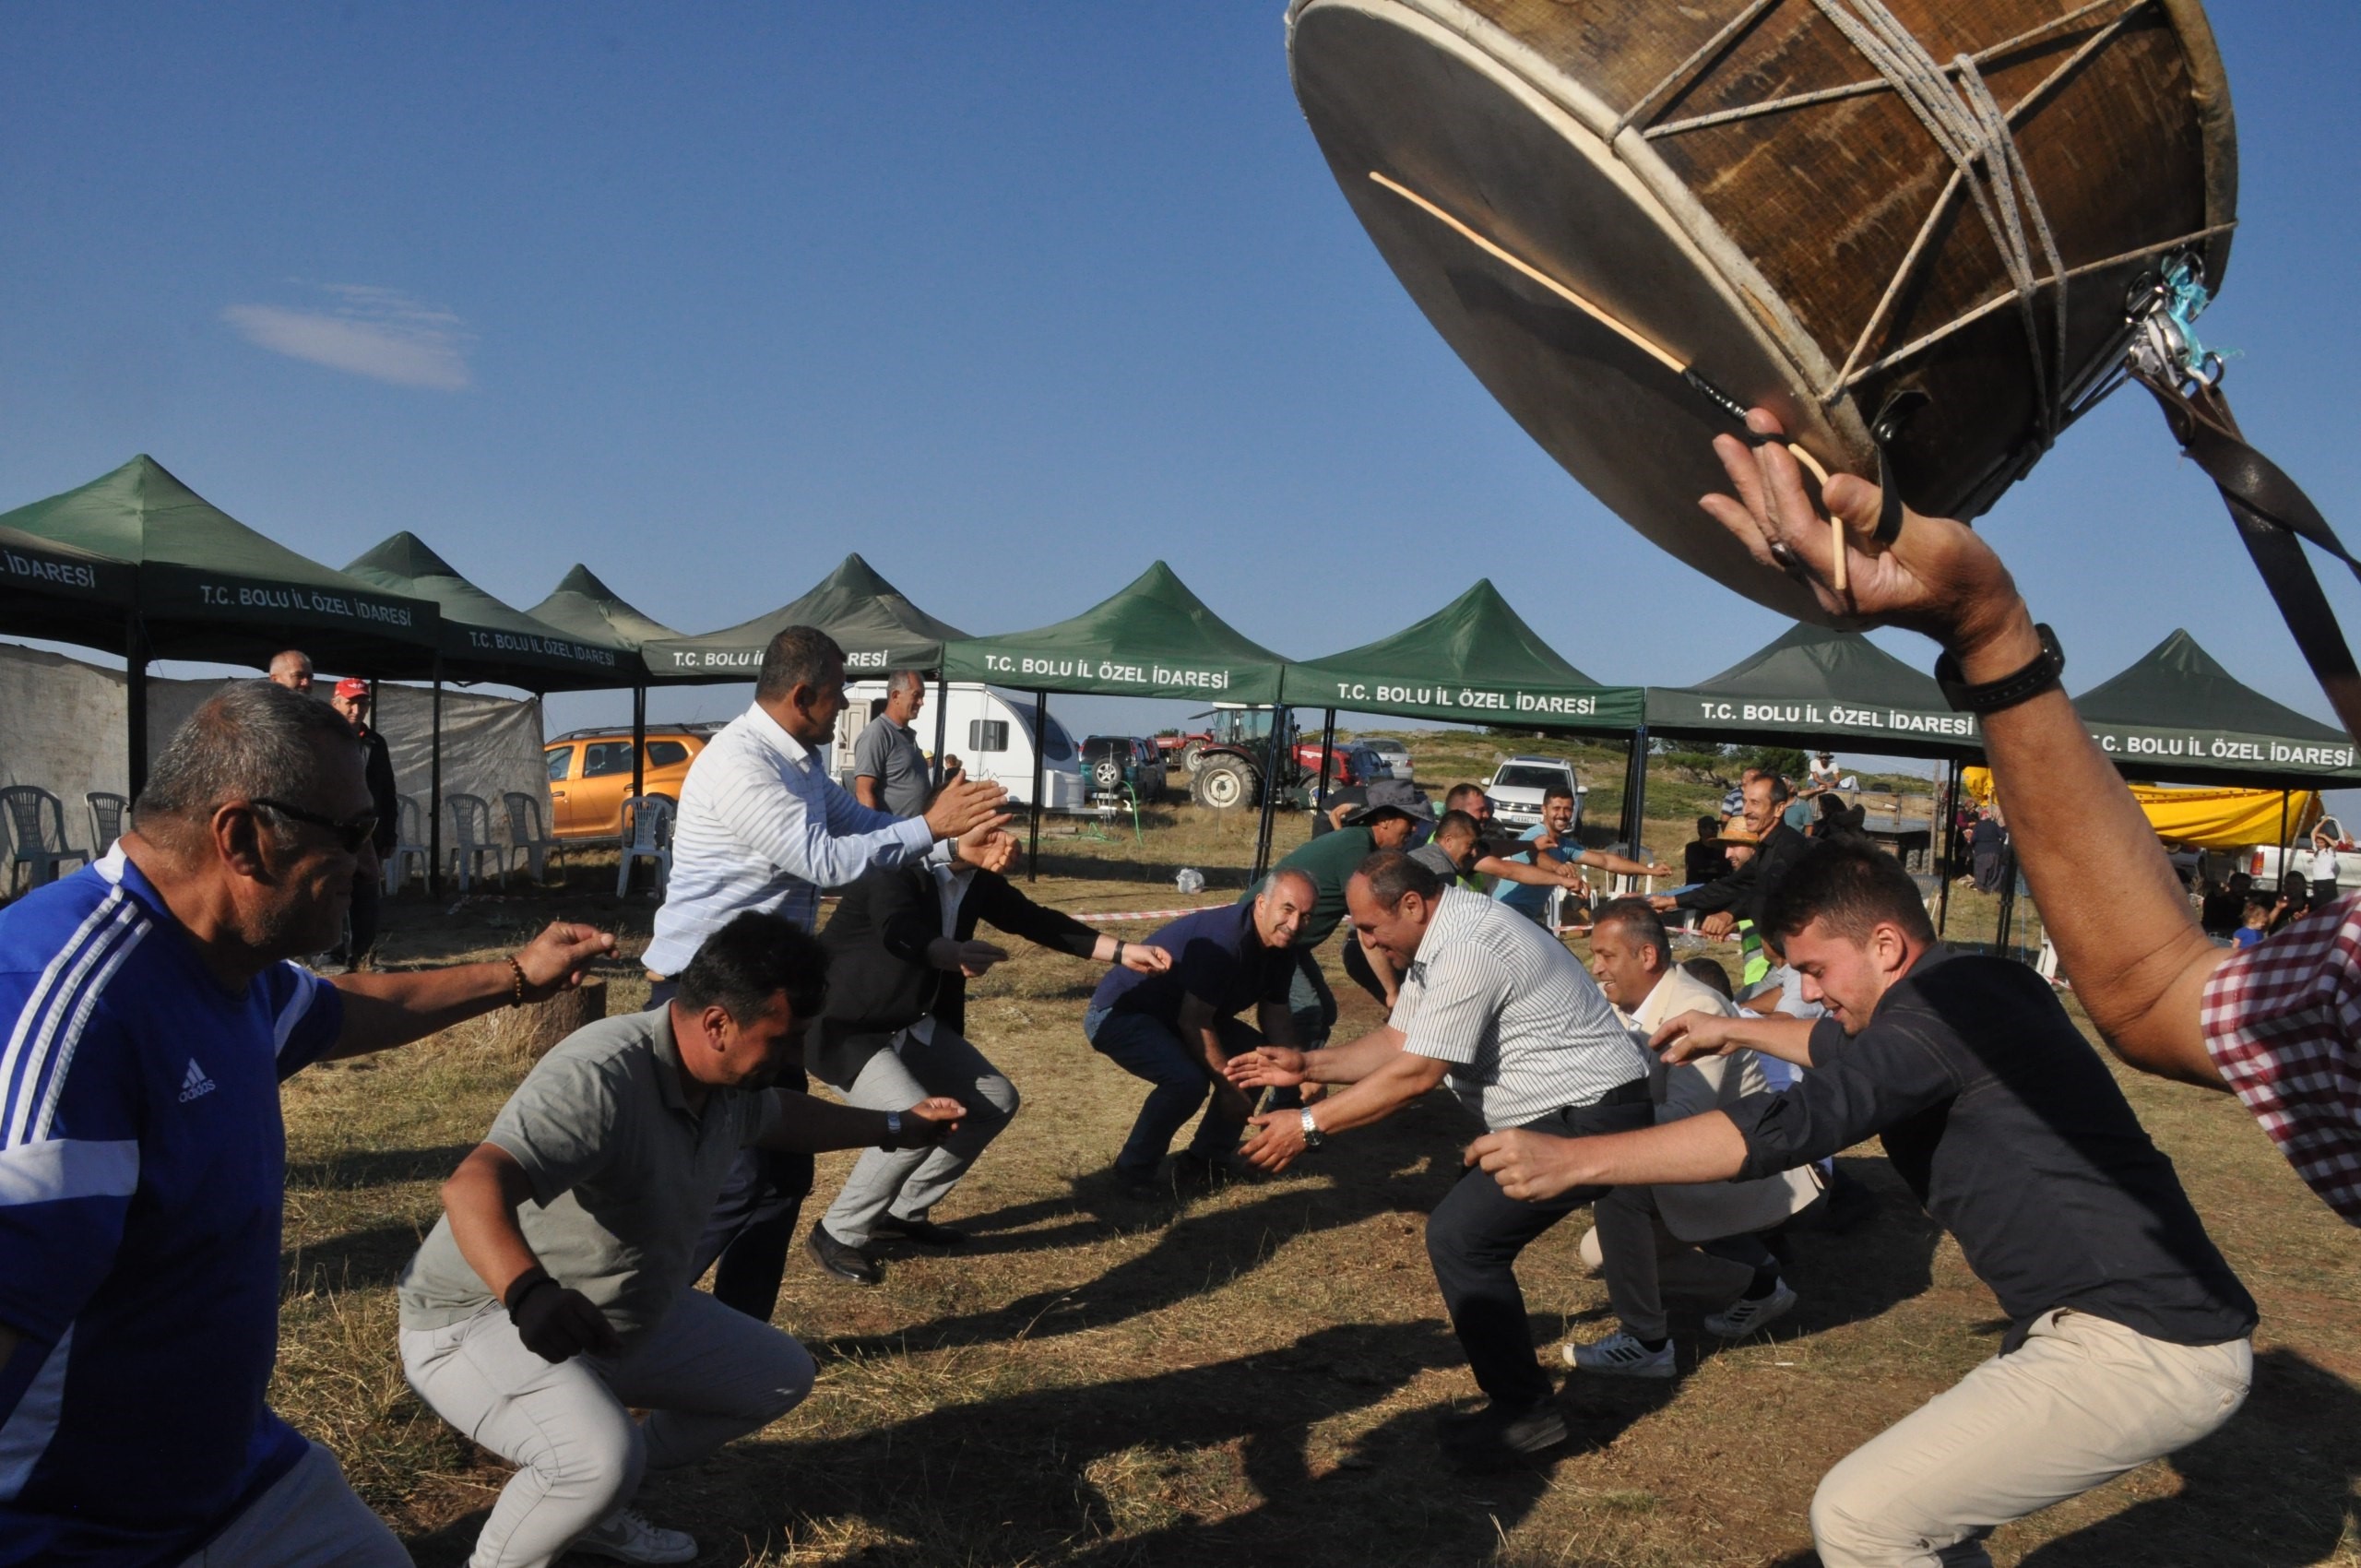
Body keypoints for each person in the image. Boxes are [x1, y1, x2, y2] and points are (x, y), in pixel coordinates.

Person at [1467, 840, 2257, 1564]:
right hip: (2115, 1324)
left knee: (1862, 1519)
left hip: (2141, 1343)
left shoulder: (1940, 1016)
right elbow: (1845, 1046)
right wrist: (1733, 1030)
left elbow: (1789, 1125)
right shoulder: (1978, 986)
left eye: (1813, 970)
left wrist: (1578, 1157)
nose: (1804, 993)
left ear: (1885, 945)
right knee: (1929, 1527)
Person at [0, 680, 614, 1567]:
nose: (373, 866)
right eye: (356, 835)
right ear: (244, 838)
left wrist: (517, 974)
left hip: (231, 1479)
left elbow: (349, 1010)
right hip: (71, 1531)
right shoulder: (67, 1018)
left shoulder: (225, 962)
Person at [398, 911, 967, 1568]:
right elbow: (471, 1188)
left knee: (777, 1378)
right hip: (481, 1316)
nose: (792, 1059)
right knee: (596, 1460)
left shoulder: (725, 1077)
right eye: (783, 1041)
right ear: (718, 1023)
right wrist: (531, 1296)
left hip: (600, 1316)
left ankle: (597, 1506)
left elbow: (781, 1118)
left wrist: (898, 1125)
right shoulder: (603, 1074)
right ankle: (553, 1514)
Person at [1225, 851, 1653, 1469]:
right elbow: (1403, 1041)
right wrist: (1308, 1065)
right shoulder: (1439, 939)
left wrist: (1310, 1126)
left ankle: (1528, 1415)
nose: (1365, 940)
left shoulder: (1470, 946)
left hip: (1591, 1113)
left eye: (1370, 927)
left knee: (1462, 1238)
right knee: (1466, 1235)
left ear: (1412, 906)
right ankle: (1521, 1405)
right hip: (1563, 1112)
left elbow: (1418, 1074)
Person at [642, 625, 1014, 1323]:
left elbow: (862, 832)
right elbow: (825, 861)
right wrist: (932, 827)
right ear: (803, 694)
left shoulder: (801, 764)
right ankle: (632, 1326)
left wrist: (952, 847)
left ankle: (738, 1331)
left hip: (759, 1000)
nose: (847, 707)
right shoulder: (741, 764)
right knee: (734, 1179)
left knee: (782, 1177)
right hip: (704, 1002)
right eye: (840, 693)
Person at [801, 852, 1171, 1283]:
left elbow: (1037, 921)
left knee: (994, 1100)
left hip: (909, 1022)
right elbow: (898, 931)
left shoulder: (977, 881)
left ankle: (901, 1213)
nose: (1009, 843)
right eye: (992, 830)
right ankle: (837, 1233)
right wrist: (949, 952)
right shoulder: (894, 871)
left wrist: (1123, 951)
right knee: (914, 1117)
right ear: (953, 830)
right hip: (845, 1028)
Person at [1561, 899, 1797, 1379]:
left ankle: (1645, 1341)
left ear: (1646, 956)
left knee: (1617, 1183)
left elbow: (1685, 1121)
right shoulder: (1631, 1009)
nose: (1596, 966)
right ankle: (1756, 1285)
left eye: (1606, 955)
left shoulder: (1695, 1007)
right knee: (1598, 1253)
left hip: (1739, 1171)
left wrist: (1587, 1132)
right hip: (1705, 1161)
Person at [1083, 870, 1312, 1197]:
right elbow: (1194, 1021)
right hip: (1121, 1013)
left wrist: (1303, 1068)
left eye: (1305, 916)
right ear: (1261, 903)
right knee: (1186, 1081)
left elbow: (1275, 1011)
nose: (1294, 924)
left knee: (1258, 1060)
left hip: (1176, 1016)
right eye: (1287, 910)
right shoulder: (1227, 938)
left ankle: (1204, 1162)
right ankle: (1133, 1172)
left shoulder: (1283, 946)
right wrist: (1229, 1087)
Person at [1242, 778, 1432, 1031]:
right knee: (1309, 1015)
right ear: (1385, 820)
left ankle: (1298, 1064)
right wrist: (1392, 993)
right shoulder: (1355, 848)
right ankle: (1284, 1066)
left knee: (1325, 1014)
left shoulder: (1361, 844)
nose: (1414, 829)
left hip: (1291, 945)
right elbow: (1368, 929)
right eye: (1410, 820)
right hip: (1264, 937)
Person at [1492, 783, 1670, 930]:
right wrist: (1557, 868)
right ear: (1544, 810)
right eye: (1556, 808)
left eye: (1567, 809)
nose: (1562, 815)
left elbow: (1606, 861)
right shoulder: (1535, 834)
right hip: (1505, 914)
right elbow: (1535, 854)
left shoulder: (1565, 845)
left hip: (1525, 919)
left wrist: (1650, 870)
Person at [1655, 773, 1806, 945]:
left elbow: (1769, 889)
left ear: (1779, 808)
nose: (1746, 811)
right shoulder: (1765, 848)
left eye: (1755, 803)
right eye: (1745, 802)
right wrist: (1672, 901)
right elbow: (1733, 885)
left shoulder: (1791, 847)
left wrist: (1729, 914)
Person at [327, 677, 398, 969]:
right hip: (330, 829)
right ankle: (328, 954)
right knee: (330, 891)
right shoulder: (323, 737)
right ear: (336, 703)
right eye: (351, 702)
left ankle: (364, 955)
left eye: (363, 702)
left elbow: (386, 790)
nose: (357, 709)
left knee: (367, 891)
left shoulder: (374, 742)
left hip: (366, 829)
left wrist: (388, 834)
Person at [852, 669, 932, 817]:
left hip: (914, 835)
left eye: (922, 697)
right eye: (916, 696)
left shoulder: (906, 734)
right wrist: (876, 835)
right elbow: (863, 792)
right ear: (895, 696)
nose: (921, 702)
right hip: (894, 835)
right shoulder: (877, 733)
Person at [1968, 809, 2008, 894]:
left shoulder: (1978, 826)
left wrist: (1972, 846)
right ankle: (1992, 888)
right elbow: (2003, 836)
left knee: (1981, 870)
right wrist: (1999, 844)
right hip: (1995, 850)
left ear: (1981, 817)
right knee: (1994, 870)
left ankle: (1981, 888)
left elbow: (1974, 839)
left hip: (1982, 850)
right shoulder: (1994, 825)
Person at [1682, 815, 1729, 885]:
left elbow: (1726, 869)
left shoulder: (1721, 848)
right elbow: (1694, 868)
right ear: (1702, 830)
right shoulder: (1692, 848)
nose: (1716, 830)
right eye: (1712, 828)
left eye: (1717, 828)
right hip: (1697, 886)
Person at [2309, 827, 2342, 909]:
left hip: (2327, 880)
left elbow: (2334, 844)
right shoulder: (2316, 850)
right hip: (2317, 879)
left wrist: (2324, 836)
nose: (2319, 844)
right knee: (2317, 903)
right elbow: (2313, 833)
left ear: (2326, 843)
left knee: (2329, 904)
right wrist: (2323, 821)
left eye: (2322, 843)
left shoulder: (2329, 850)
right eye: (2318, 843)